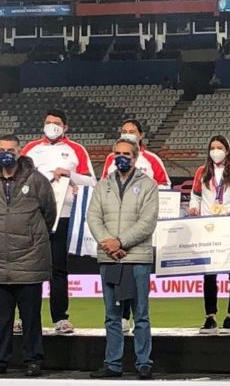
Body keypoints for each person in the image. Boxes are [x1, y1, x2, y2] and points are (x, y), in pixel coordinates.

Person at [0, 135, 56, 377]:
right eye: (1, 150)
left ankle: (33, 360)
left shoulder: (38, 181)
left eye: (10, 149)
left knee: (31, 318)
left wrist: (30, 236)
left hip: (30, 259)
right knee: (0, 319)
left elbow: (49, 214)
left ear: (19, 151)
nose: (6, 153)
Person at [87, 137, 159, 380]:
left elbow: (147, 222)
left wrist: (120, 242)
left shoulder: (148, 185)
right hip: (110, 259)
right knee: (112, 316)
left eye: (126, 154)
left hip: (136, 258)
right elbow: (93, 218)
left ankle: (144, 363)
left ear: (136, 157)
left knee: (141, 314)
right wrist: (109, 244)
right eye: (117, 153)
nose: (121, 157)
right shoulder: (102, 185)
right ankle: (113, 364)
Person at [20, 108, 96, 334]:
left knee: (58, 270)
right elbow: (19, 178)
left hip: (63, 216)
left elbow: (92, 181)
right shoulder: (30, 149)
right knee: (28, 270)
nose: (51, 126)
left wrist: (69, 174)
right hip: (32, 216)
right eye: (47, 122)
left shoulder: (76, 150)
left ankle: (60, 318)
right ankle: (26, 318)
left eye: (56, 122)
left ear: (65, 127)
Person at [100, 119, 170, 333]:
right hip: (114, 230)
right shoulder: (111, 160)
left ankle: (141, 355)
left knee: (136, 281)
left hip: (140, 230)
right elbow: (102, 188)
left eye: (132, 131)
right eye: (124, 131)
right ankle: (122, 317)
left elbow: (166, 185)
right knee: (118, 278)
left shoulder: (152, 160)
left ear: (141, 135)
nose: (128, 134)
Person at [188, 135, 230, 334]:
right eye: (212, 147)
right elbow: (195, 196)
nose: (215, 151)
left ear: (227, 150)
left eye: (219, 147)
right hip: (208, 227)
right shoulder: (202, 172)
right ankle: (210, 316)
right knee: (209, 274)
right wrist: (193, 207)